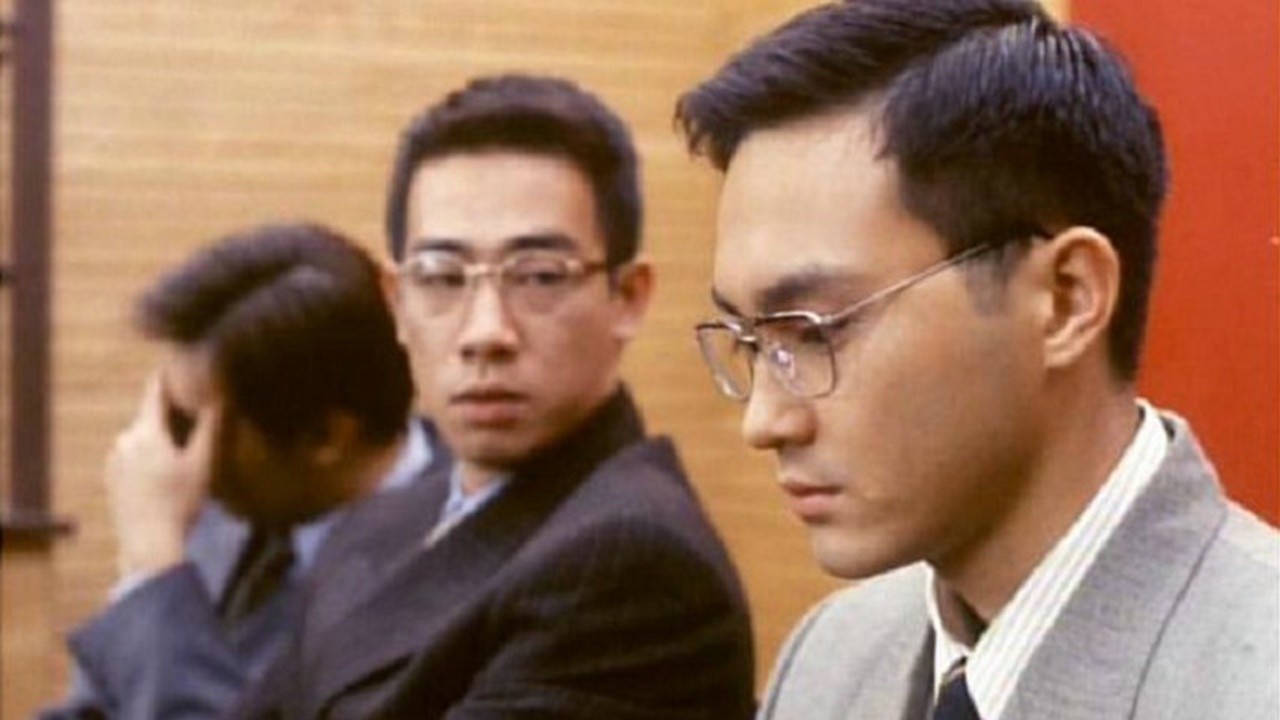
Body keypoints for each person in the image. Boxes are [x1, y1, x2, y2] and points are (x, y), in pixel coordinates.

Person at [676, 1, 1279, 718]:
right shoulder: (832, 660)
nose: (765, 421)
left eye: (817, 331)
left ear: (1065, 299)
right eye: (750, 340)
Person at [232, 74, 755, 719]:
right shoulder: (382, 520)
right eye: (442, 276)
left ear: (627, 297)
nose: (486, 333)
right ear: (397, 302)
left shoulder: (627, 561)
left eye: (539, 276)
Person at [41, 223, 436, 719]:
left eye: (189, 425)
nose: (168, 455)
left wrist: (154, 571)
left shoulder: (457, 570)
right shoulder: (223, 509)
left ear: (324, 438)